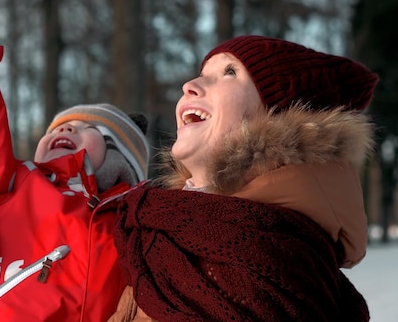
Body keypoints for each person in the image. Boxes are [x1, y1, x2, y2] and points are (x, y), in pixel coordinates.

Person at [108, 35, 378, 321]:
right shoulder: (164, 230)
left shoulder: (268, 258)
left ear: (277, 117)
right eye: (201, 75)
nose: (189, 85)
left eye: (229, 72)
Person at [0, 0, 150, 321]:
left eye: (86, 128)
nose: (64, 131)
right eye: (58, 126)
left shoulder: (134, 228)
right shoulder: (12, 186)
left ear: (118, 157)